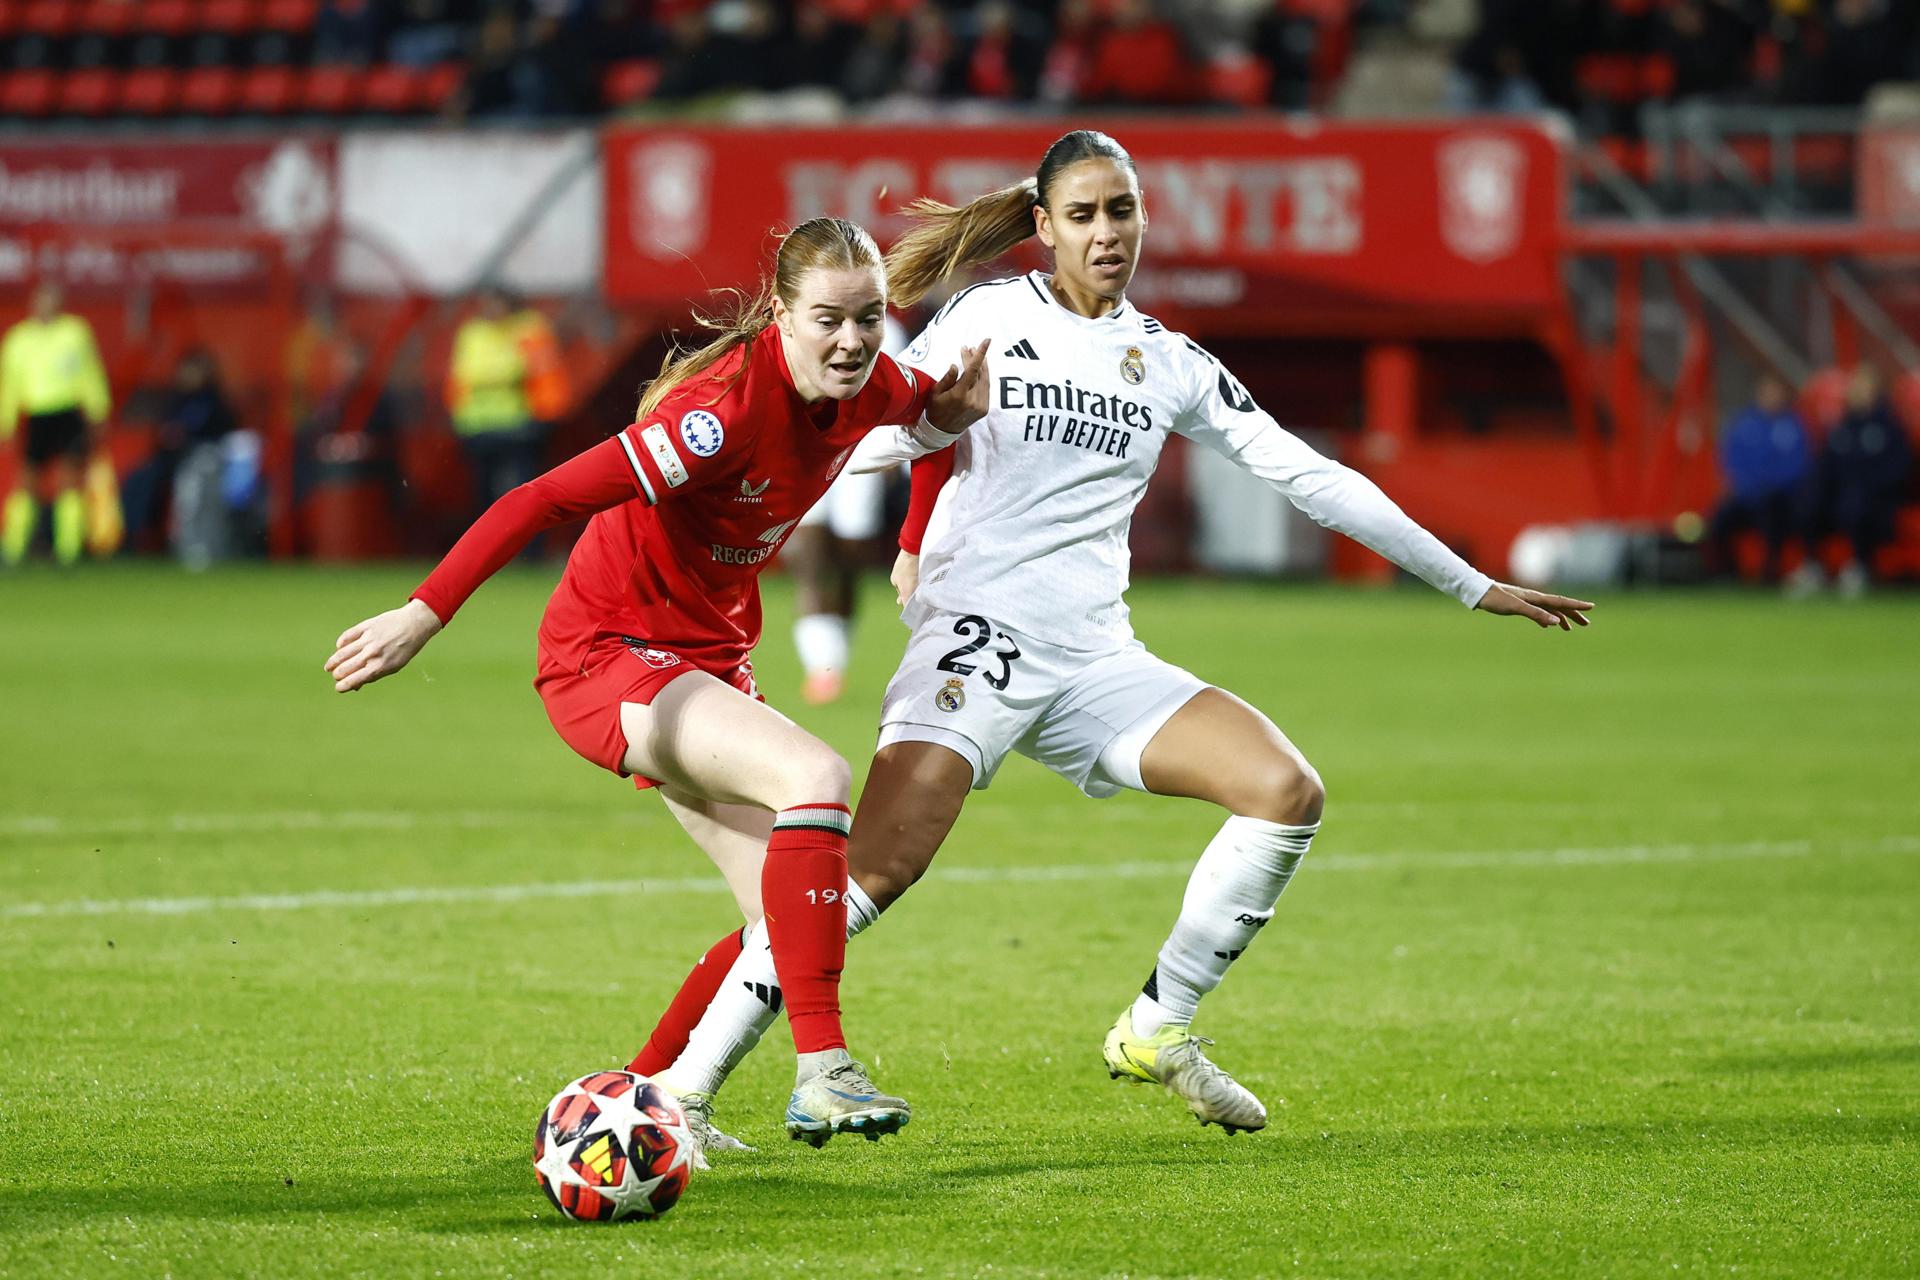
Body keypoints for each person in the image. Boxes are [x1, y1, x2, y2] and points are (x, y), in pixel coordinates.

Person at [625, 130, 1593, 1154]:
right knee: (875, 867)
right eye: (1082, 214)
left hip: (1095, 658)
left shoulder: (1169, 362)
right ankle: (684, 1090)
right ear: (1042, 229)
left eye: (1120, 211)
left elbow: (1306, 473)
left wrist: (1469, 579)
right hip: (976, 638)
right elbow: (891, 424)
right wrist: (817, 511)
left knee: (1285, 790)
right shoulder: (993, 316)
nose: (1105, 232)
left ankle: (1157, 1025)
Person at [325, 217, 990, 1151]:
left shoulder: (871, 380)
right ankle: (823, 1070)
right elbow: (540, 497)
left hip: (706, 659)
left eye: (870, 317)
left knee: (787, 916)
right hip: (607, 655)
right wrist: (422, 612)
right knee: (817, 778)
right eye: (829, 319)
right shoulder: (716, 415)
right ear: (781, 315)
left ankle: (649, 1101)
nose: (852, 340)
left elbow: (936, 423)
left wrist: (914, 545)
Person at [786, 315, 910, 705]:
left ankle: (834, 655)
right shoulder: (801, 321)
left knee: (849, 557)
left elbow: (899, 393)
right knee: (812, 554)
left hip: (863, 458)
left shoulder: (888, 331)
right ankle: (820, 668)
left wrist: (897, 456)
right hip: (806, 449)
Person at [445, 287, 568, 553]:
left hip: (519, 425)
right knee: (484, 496)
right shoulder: (474, 332)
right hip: (479, 427)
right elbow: (470, 372)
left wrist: (494, 372)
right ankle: (485, 552)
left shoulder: (528, 328)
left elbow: (524, 368)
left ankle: (529, 553)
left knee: (527, 493)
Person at [1, 281, 112, 568]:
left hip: (67, 412)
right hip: (35, 415)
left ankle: (68, 550)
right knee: (27, 482)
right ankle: (13, 548)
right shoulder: (18, 339)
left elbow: (89, 372)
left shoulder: (75, 333)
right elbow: (10, 385)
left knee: (69, 479)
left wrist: (98, 409)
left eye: (52, 299)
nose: (46, 306)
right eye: (41, 299)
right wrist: (6, 421)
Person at [1796, 362, 1913, 599]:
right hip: (1840, 498)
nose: (1858, 392)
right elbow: (1826, 467)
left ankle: (1860, 567)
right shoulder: (1842, 428)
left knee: (1856, 503)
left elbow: (1898, 469)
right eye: (1855, 387)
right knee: (1809, 501)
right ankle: (1813, 567)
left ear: (1876, 391)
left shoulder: (1889, 427)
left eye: (1864, 387)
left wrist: (1867, 486)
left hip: (1876, 500)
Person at [1704, 372, 1813, 584]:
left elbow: (1798, 464)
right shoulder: (1744, 424)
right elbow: (1732, 462)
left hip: (1780, 497)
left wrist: (1770, 486)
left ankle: (1770, 571)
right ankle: (1724, 572)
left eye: (1776, 393)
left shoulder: (1793, 425)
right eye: (1767, 392)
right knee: (1719, 519)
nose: (1771, 397)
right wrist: (1750, 488)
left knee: (1772, 513)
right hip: (1747, 496)